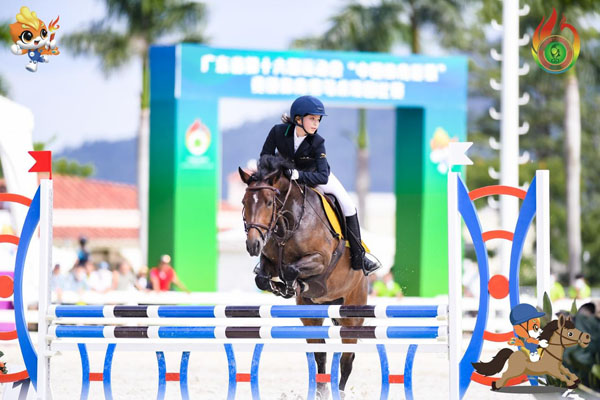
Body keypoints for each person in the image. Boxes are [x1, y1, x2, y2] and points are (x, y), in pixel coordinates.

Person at [259, 95, 380, 276]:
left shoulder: (317, 142)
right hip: (285, 177)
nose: (316, 124)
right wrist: (275, 172)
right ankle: (266, 255)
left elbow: (322, 176)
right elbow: (264, 157)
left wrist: (299, 175)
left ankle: (359, 255)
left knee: (348, 205)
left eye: (318, 120)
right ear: (298, 119)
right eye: (312, 119)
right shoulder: (278, 132)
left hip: (314, 176)